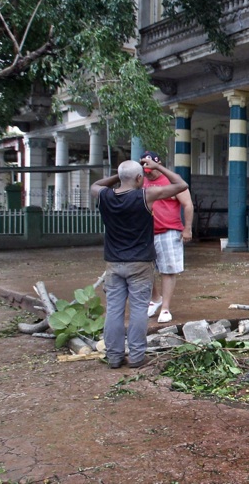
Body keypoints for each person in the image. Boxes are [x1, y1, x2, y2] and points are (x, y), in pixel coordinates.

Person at [91, 156, 187, 370]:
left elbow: (95, 185)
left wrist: (120, 174)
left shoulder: (104, 195)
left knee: (114, 311)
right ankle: (136, 357)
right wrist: (158, 167)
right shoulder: (146, 195)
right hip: (140, 263)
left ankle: (114, 357)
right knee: (137, 311)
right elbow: (181, 185)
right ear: (138, 177)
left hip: (114, 264)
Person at [140, 150, 195, 324]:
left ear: (159, 165)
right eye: (146, 170)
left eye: (152, 169)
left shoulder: (171, 180)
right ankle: (155, 298)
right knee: (143, 269)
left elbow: (187, 204)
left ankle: (165, 307)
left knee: (168, 269)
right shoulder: (140, 181)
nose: (149, 174)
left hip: (169, 230)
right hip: (146, 232)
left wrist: (187, 229)